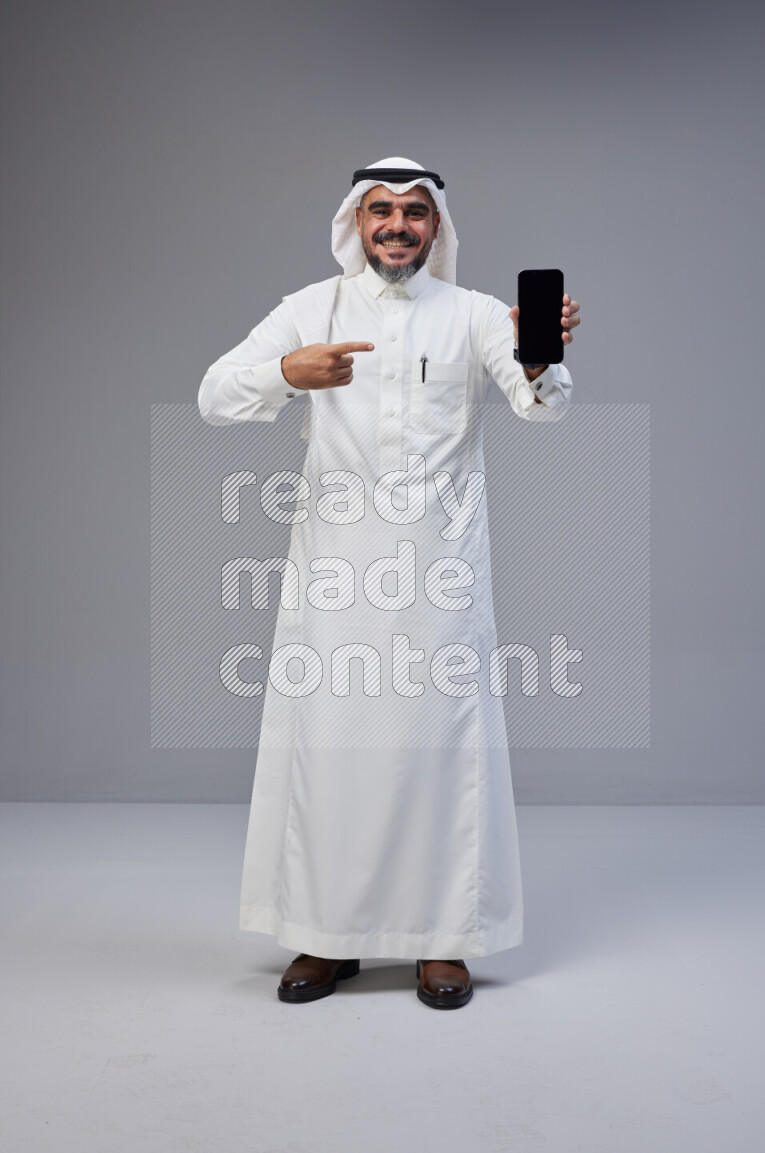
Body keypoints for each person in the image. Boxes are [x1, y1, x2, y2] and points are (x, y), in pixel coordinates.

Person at [198, 157, 581, 1009]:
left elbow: (542, 406)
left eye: (415, 211)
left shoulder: (477, 313)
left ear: (437, 226)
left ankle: (443, 941)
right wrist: (282, 377)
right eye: (381, 210)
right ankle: (325, 938)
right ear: (355, 222)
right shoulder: (311, 308)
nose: (398, 225)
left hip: (441, 582)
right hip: (333, 578)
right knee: (331, 756)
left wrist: (541, 356)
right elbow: (213, 396)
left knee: (441, 754)